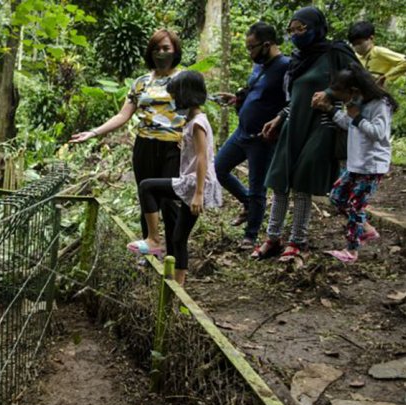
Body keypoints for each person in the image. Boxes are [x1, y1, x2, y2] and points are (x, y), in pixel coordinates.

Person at [254, 6, 360, 263]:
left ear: (316, 27)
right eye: (292, 30)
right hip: (294, 124)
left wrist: (332, 96)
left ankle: (297, 241)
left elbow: (360, 81)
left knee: (302, 183)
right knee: (279, 180)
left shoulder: (336, 52)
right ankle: (273, 238)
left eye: (301, 28)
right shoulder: (298, 59)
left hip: (322, 124)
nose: (296, 34)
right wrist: (280, 117)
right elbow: (296, 96)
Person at [70, 29, 186, 259]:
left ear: (175, 51)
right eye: (156, 49)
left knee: (169, 202)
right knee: (147, 198)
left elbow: (195, 113)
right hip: (144, 146)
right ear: (150, 53)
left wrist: (192, 142)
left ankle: (174, 254)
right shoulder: (141, 83)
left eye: (166, 48)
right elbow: (123, 115)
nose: (161, 53)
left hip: (175, 146)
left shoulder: (184, 79)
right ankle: (150, 250)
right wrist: (94, 132)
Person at [126, 71, 222, 285]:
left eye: (175, 96)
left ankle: (153, 240)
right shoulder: (194, 120)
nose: (173, 102)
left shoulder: (197, 123)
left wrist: (197, 194)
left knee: (147, 187)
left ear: (185, 95)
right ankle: (179, 288)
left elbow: (202, 159)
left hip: (193, 184)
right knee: (179, 238)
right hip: (196, 183)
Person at [213, 22, 289, 250]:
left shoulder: (286, 67)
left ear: (267, 45)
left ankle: (251, 236)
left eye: (251, 48)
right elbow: (256, 93)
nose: (249, 53)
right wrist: (236, 99)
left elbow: (290, 102)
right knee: (219, 168)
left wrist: (278, 123)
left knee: (258, 188)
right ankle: (247, 203)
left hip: (261, 139)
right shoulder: (259, 65)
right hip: (241, 132)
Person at [311, 63, 398, 262]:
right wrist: (331, 110)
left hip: (372, 165)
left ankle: (351, 251)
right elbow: (350, 125)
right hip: (356, 162)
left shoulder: (380, 104)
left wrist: (357, 116)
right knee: (337, 197)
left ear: (354, 90)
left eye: (342, 94)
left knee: (356, 206)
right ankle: (366, 230)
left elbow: (378, 133)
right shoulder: (358, 101)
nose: (341, 98)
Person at [348, 21, 406, 86]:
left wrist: (385, 77)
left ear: (371, 38)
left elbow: (404, 62)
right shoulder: (355, 56)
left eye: (359, 43)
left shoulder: (378, 51)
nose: (356, 47)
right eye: (354, 44)